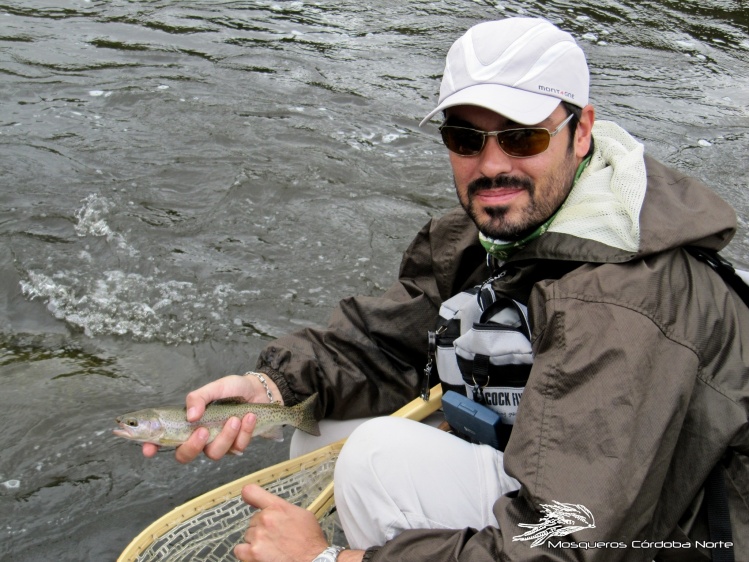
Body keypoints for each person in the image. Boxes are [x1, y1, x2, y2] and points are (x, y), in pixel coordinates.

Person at [143, 17, 749, 562]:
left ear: (581, 131)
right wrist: (268, 387)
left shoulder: (623, 303)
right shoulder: (493, 237)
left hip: (678, 539)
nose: (490, 165)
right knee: (315, 428)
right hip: (580, 487)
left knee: (373, 456)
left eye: (522, 138)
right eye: (466, 138)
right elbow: (386, 344)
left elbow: (568, 545)